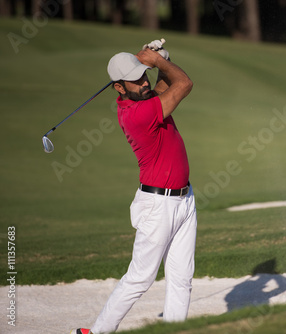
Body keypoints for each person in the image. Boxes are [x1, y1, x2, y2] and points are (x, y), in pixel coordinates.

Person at [71, 40, 196, 334]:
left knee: (181, 278)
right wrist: (158, 62)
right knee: (140, 277)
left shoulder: (146, 99)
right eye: (136, 79)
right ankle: (98, 332)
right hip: (157, 207)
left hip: (184, 200)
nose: (143, 83)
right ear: (118, 87)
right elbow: (184, 84)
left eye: (143, 75)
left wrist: (159, 57)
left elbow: (166, 83)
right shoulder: (137, 114)